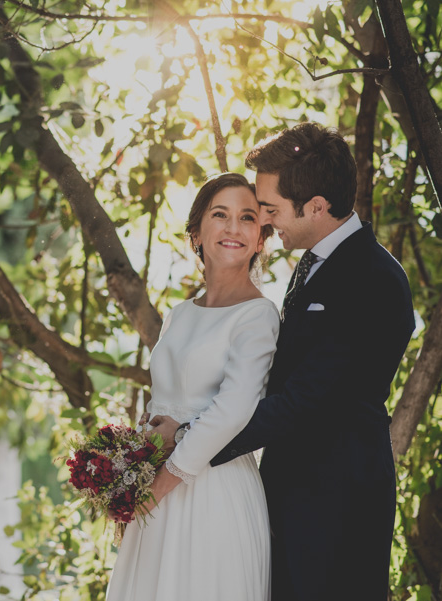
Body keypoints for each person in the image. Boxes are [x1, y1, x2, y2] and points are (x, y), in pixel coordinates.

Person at [150, 122, 415, 601]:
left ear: (316, 206)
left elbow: (304, 399)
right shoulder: (313, 265)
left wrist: (185, 439)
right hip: (286, 496)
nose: (267, 223)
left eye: (270, 210)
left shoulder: (373, 277)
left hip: (336, 505)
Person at [106, 172, 278, 601]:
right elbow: (160, 402)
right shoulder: (179, 314)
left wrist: (157, 488)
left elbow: (233, 411)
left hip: (213, 490)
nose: (233, 227)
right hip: (155, 490)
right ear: (196, 233)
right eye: (220, 214)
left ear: (260, 238)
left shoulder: (258, 315)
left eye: (247, 217)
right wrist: (129, 475)